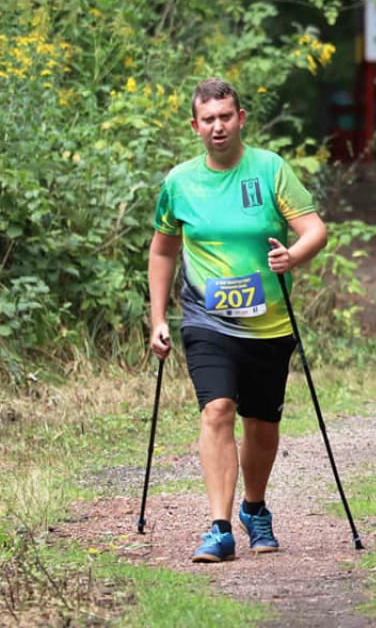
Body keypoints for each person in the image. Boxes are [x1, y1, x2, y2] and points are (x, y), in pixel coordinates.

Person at [148, 77, 328, 562]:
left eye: (226, 116)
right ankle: (219, 527)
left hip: (269, 323)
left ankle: (254, 508)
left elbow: (315, 229)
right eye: (208, 119)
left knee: (262, 424)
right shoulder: (179, 182)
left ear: (241, 118)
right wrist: (158, 317)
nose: (218, 126)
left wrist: (293, 255)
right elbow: (163, 250)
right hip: (206, 319)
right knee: (217, 410)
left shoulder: (270, 170)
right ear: (195, 126)